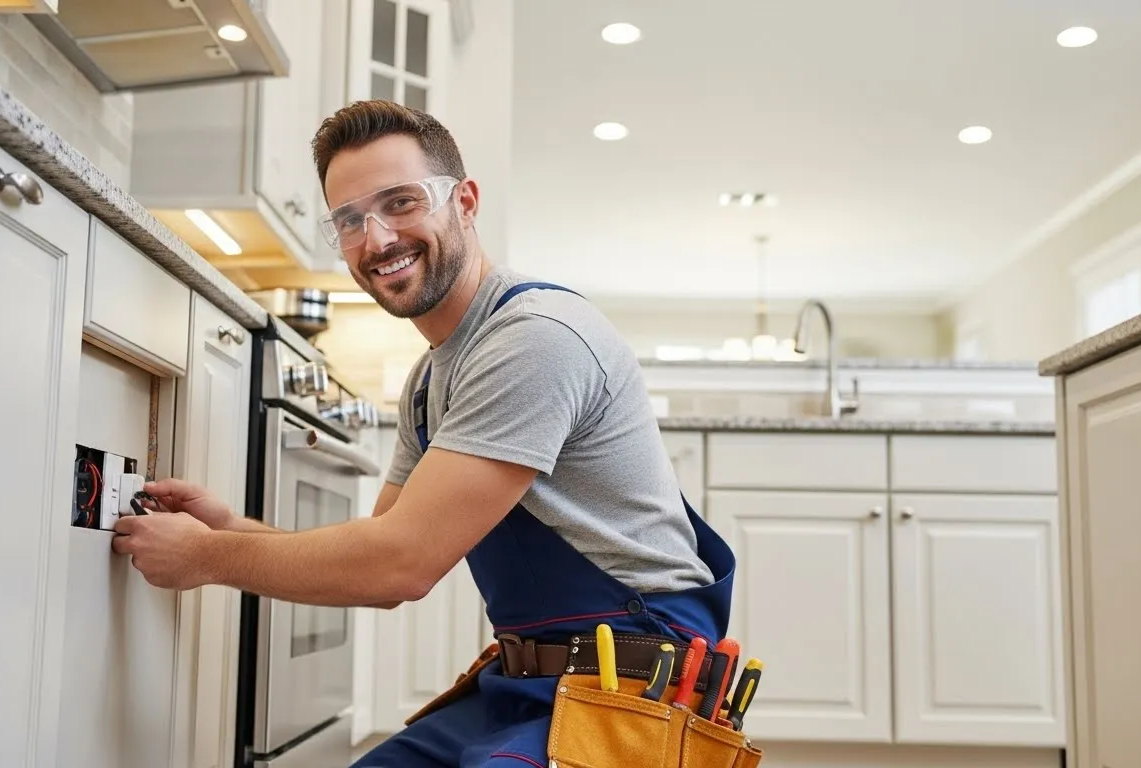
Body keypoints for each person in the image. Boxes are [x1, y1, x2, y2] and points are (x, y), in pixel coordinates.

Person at [111, 99, 738, 767]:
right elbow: (376, 557)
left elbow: (397, 568)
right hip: (526, 687)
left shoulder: (534, 339)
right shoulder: (428, 383)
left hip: (633, 693)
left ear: (463, 201)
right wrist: (226, 529)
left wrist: (205, 560)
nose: (376, 239)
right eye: (350, 220)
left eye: (402, 203)